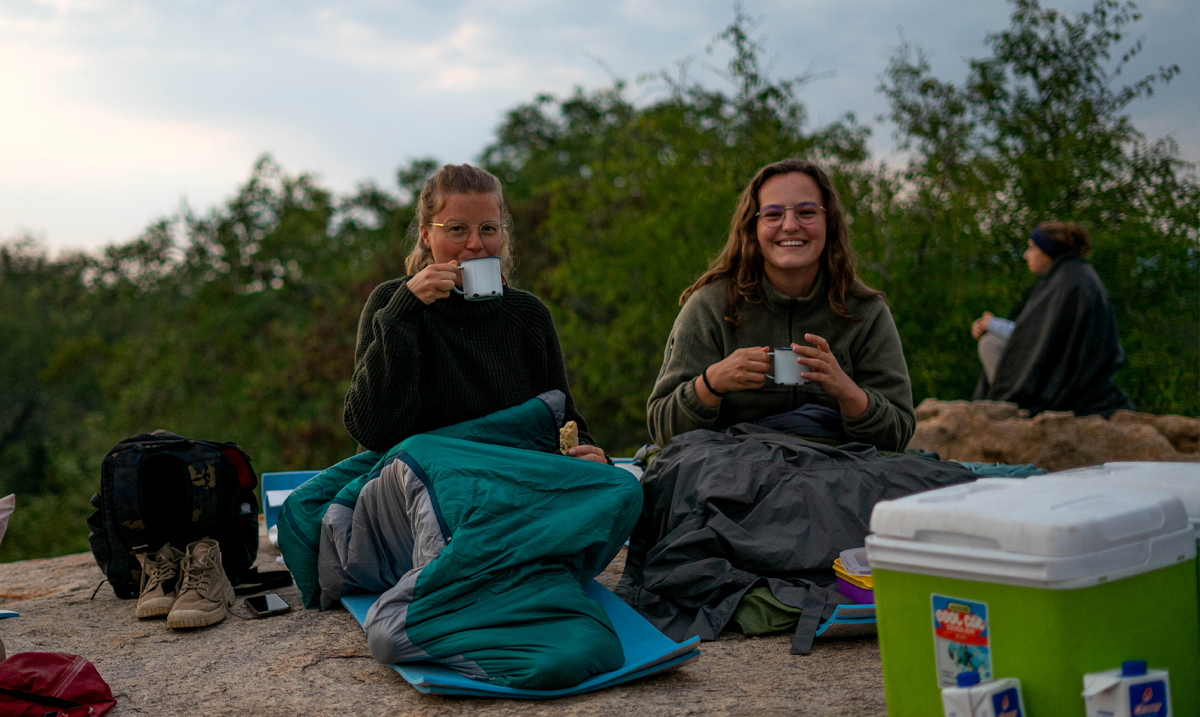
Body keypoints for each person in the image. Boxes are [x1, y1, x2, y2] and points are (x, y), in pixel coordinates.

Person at [343, 163, 608, 462]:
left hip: (507, 485)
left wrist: (587, 453)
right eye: (457, 229)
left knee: (624, 489)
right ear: (427, 235)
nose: (475, 244)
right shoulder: (391, 303)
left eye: (488, 229)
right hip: (417, 490)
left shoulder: (528, 316)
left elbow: (563, 422)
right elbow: (370, 432)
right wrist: (404, 312)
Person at [646, 159, 915, 451]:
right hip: (733, 479)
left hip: (838, 476)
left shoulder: (865, 312)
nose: (790, 226)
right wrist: (712, 383)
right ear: (753, 227)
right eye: (773, 215)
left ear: (830, 223)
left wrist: (847, 393)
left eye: (807, 212)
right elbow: (663, 430)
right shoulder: (709, 307)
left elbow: (898, 433)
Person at [970, 221, 1134, 416]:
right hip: (1065, 374)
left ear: (1047, 251)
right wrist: (991, 326)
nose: (1026, 255)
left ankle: (1014, 407)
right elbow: (1033, 335)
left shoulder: (1066, 283)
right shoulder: (1072, 275)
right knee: (991, 342)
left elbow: (1031, 341)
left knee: (990, 344)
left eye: (1032, 248)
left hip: (1063, 384)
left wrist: (993, 325)